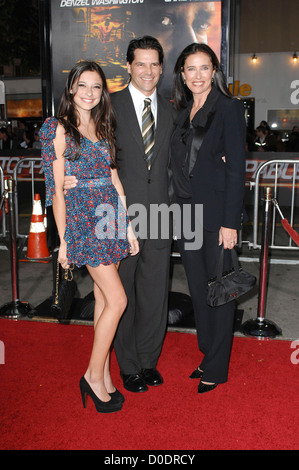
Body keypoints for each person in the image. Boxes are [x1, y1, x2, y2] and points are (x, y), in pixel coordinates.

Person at [64, 36, 176, 393]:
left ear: (161, 67)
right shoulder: (108, 105)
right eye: (140, 63)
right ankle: (126, 365)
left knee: (155, 291)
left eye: (154, 64)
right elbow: (84, 144)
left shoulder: (173, 109)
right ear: (128, 66)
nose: (147, 70)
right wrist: (71, 178)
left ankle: (148, 360)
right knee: (120, 290)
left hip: (160, 211)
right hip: (115, 214)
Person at [40, 60, 139, 413]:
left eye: (96, 87)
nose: (89, 93)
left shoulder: (103, 124)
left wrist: (126, 226)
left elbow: (114, 180)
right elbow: (55, 190)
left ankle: (105, 373)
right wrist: (65, 240)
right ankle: (92, 376)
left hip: (109, 217)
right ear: (71, 88)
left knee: (102, 300)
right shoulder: (57, 129)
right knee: (118, 300)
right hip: (83, 222)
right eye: (83, 85)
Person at [170, 43, 246, 393]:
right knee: (200, 291)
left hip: (216, 216)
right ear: (182, 75)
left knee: (221, 290)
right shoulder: (182, 111)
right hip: (184, 212)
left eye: (204, 68)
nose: (197, 75)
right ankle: (206, 352)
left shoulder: (228, 108)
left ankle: (217, 365)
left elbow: (237, 170)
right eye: (191, 69)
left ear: (214, 71)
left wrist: (231, 223)